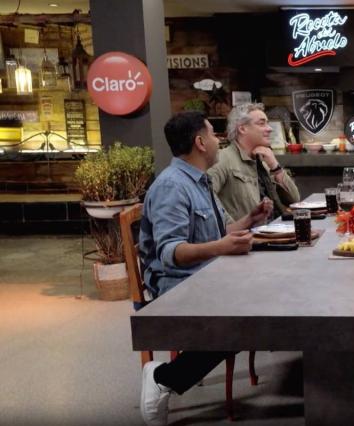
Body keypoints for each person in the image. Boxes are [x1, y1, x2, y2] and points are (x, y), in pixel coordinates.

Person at [138, 111, 273, 426]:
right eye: (213, 134)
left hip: (207, 273)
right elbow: (170, 252)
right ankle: (162, 377)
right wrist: (221, 248)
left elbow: (222, 231)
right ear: (200, 142)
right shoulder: (172, 186)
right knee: (242, 317)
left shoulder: (201, 181)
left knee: (264, 297)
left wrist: (250, 219)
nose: (218, 140)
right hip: (175, 283)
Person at [208, 103, 301, 221]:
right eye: (262, 123)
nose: (270, 128)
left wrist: (275, 166)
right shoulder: (223, 159)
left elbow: (295, 200)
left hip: (277, 228)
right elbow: (205, 198)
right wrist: (231, 226)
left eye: (267, 123)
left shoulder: (263, 161)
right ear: (242, 129)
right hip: (249, 232)